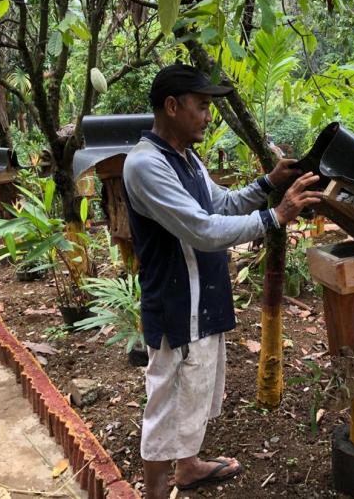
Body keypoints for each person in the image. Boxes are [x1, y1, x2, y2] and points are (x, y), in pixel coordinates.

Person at [122, 64, 323, 498]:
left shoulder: (185, 158)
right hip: (178, 307)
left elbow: (222, 203)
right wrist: (275, 215)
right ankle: (156, 493)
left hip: (203, 300)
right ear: (172, 106)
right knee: (167, 405)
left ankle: (189, 467)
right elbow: (203, 229)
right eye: (201, 106)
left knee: (192, 396)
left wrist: (268, 183)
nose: (208, 116)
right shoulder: (145, 164)